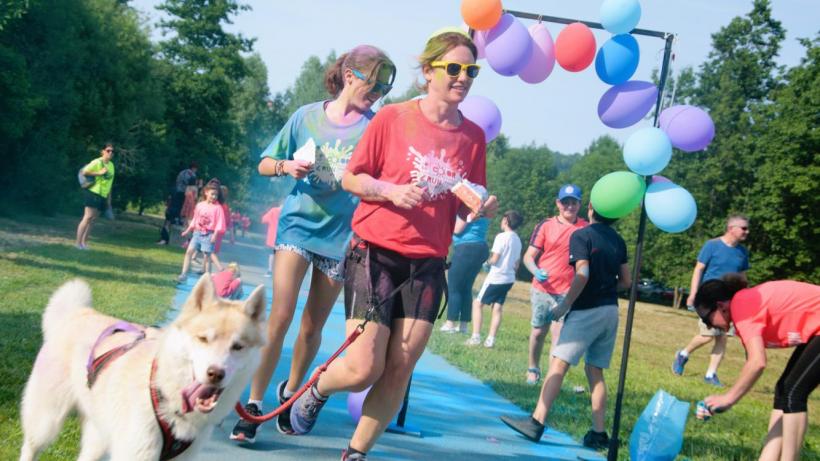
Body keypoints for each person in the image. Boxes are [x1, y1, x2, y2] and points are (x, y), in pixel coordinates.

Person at [286, 32, 497, 461]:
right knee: (365, 367)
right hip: (375, 252)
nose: (463, 78)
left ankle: (356, 453)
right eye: (453, 68)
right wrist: (389, 192)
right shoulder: (393, 119)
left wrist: (481, 206)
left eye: (471, 71)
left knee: (400, 367)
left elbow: (462, 203)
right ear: (428, 73)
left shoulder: (473, 137)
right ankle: (317, 387)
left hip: (428, 264)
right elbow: (351, 178)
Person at [230, 45, 397, 445]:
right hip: (298, 226)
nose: (375, 96)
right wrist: (286, 166)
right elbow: (265, 162)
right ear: (350, 75)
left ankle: (290, 395)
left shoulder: (376, 128)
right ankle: (254, 406)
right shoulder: (305, 117)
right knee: (281, 316)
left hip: (343, 236)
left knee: (311, 326)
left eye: (382, 91)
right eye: (372, 85)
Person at [500, 202, 630, 451]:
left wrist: (565, 305)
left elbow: (582, 274)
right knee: (595, 372)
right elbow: (626, 281)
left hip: (586, 310)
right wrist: (605, 288)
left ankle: (536, 421)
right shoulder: (619, 240)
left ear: (590, 209)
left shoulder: (582, 235)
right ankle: (598, 433)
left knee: (558, 364)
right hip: (610, 311)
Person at [693, 275, 818, 461]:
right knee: (784, 391)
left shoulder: (741, 306)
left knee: (793, 393)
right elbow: (752, 365)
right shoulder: (743, 305)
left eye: (706, 318)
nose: (708, 325)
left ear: (721, 306)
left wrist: (728, 399)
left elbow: (757, 362)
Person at [672, 214, 750, 386]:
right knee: (707, 335)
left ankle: (710, 374)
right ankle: (683, 354)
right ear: (731, 228)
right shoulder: (712, 245)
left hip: (730, 301)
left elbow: (743, 276)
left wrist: (745, 297)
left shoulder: (742, 252)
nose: (747, 232)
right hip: (709, 297)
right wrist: (693, 294)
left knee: (723, 337)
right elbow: (698, 269)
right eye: (743, 228)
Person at [521, 184, 588, 385]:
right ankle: (533, 368)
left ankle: (551, 377)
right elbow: (528, 257)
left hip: (567, 291)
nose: (569, 206)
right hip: (543, 289)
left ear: (579, 204)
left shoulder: (585, 228)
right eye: (565, 202)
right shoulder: (546, 225)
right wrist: (535, 270)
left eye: (573, 202)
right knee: (538, 331)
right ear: (558, 203)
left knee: (559, 335)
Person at [466, 210, 523, 348]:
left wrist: (486, 263)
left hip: (496, 277)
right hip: (509, 278)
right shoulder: (517, 240)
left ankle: (476, 337)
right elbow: (516, 263)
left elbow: (495, 258)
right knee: (497, 307)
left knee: (477, 304)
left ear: (506, 221)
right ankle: (490, 340)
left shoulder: (501, 237)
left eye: (503, 219)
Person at [440, 216, 490, 334]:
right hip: (480, 247)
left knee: (454, 287)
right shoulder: (483, 207)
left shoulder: (468, 207)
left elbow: (458, 229)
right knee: (466, 288)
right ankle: (463, 326)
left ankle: (450, 323)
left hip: (467, 247)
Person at [176, 183, 226, 283]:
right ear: (206, 192)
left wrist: (215, 235)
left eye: (216, 195)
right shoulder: (200, 205)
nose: (214, 196)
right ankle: (184, 274)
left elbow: (219, 223)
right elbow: (195, 219)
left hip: (209, 234)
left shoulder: (218, 208)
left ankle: (207, 280)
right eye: (212, 194)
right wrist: (187, 230)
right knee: (189, 252)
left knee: (207, 256)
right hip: (197, 233)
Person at [75, 143, 115, 250]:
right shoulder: (97, 162)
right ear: (102, 151)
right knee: (87, 217)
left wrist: (109, 199)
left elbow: (110, 183)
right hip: (93, 192)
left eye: (112, 151)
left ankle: (84, 243)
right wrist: (99, 173)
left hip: (103, 195)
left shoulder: (111, 165)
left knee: (93, 220)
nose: (110, 153)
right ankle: (78, 244)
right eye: (108, 150)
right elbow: (84, 171)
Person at [157, 162, 198, 245]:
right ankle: (185, 241)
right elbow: (191, 189)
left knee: (168, 219)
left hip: (175, 193)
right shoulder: (192, 175)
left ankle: (164, 238)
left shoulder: (182, 172)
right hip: (182, 197)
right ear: (194, 168)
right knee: (179, 219)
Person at [260, 203, 282, 278]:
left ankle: (270, 271)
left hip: (273, 237)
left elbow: (263, 220)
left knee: (272, 254)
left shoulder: (274, 210)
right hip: (285, 238)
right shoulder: (289, 212)